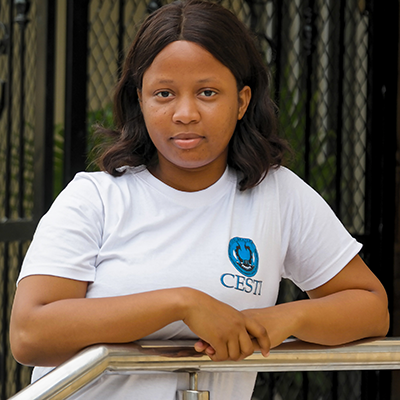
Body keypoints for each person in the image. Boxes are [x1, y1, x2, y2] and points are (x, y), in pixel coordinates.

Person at [10, 0, 389, 399]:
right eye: (164, 94)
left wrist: (285, 319)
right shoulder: (95, 198)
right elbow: (29, 333)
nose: (185, 113)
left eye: (207, 92)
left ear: (242, 101)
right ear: (140, 100)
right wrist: (181, 304)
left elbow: (369, 307)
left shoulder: (277, 194)